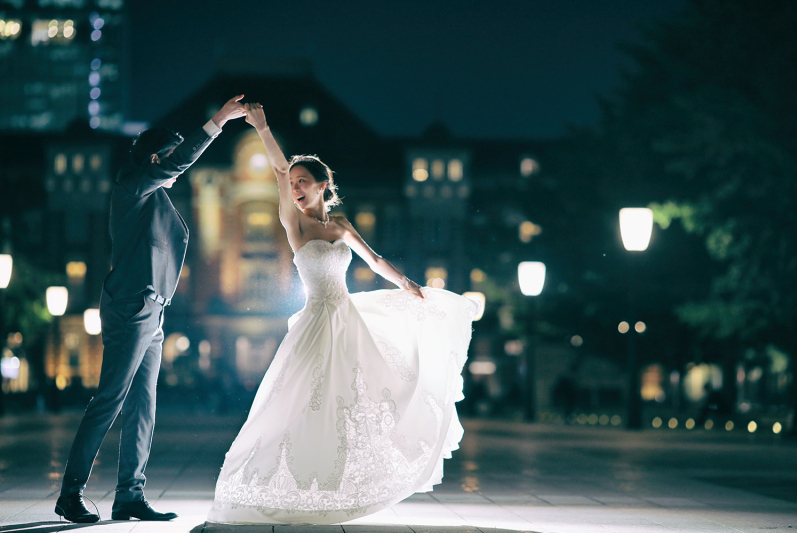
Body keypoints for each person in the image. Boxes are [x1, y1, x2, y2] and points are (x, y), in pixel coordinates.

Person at [207, 104, 480, 525]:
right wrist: (262, 127)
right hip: (316, 321)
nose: (295, 188)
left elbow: (373, 261)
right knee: (298, 401)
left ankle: (336, 482)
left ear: (322, 185)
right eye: (293, 183)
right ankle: (282, 481)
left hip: (348, 317)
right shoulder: (293, 224)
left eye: (303, 182)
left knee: (362, 396)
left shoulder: (340, 225)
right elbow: (279, 172)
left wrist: (407, 284)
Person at [55, 96, 247, 523]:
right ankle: (71, 493)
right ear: (158, 157)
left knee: (144, 404)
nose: (180, 167)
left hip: (152, 312)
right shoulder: (133, 185)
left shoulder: (154, 196)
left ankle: (129, 495)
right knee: (110, 400)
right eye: (173, 157)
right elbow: (173, 166)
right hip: (132, 306)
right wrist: (216, 122)